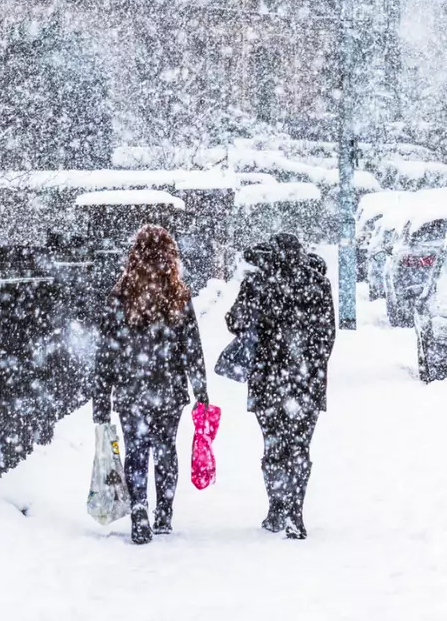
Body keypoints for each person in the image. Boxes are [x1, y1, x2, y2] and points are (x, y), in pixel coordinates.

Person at [91, 224, 209, 545]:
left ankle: (140, 507)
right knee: (166, 449)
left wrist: (101, 400)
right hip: (169, 388)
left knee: (137, 450)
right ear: (171, 256)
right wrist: (200, 391)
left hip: (132, 389)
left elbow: (106, 352)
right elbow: (191, 347)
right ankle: (164, 512)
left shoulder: (120, 295)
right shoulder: (178, 295)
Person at [226, 232, 335, 540]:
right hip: (306, 381)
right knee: (300, 447)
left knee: (273, 445)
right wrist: (311, 368)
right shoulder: (318, 284)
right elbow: (327, 337)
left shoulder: (256, 284)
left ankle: (277, 507)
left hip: (267, 379)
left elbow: (236, 323)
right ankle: (296, 512)